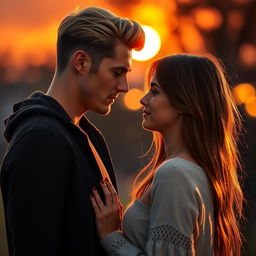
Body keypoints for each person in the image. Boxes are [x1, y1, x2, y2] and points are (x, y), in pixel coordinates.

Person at [0, 6, 144, 256]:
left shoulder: (84, 136)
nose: (124, 87)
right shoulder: (40, 141)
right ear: (81, 62)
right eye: (117, 72)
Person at [90, 53, 244, 256]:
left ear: (184, 102)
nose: (143, 100)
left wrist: (112, 238)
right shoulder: (196, 172)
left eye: (154, 92)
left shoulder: (175, 173)